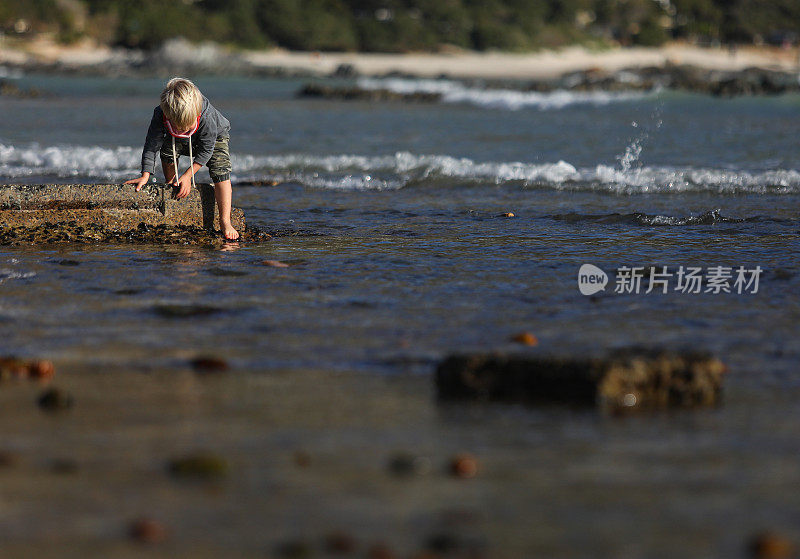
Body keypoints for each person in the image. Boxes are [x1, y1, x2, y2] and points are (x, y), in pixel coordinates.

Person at [125, 77, 239, 240]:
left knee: (221, 169)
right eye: (179, 127)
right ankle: (172, 184)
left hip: (215, 137)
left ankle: (225, 221)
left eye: (188, 127)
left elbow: (206, 151)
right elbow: (151, 145)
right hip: (175, 136)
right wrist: (146, 174)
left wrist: (187, 176)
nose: (184, 130)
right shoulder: (160, 114)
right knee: (167, 150)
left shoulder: (207, 117)